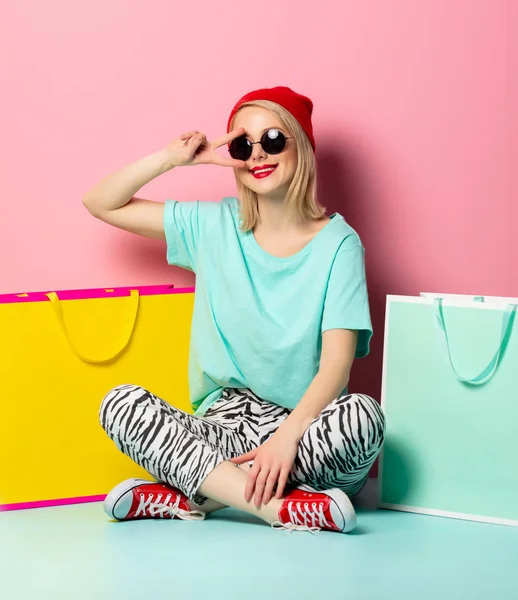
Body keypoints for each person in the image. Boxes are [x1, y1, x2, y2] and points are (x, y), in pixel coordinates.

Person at [83, 86, 385, 534]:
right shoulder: (212, 226)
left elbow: (336, 370)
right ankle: (279, 508)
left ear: (302, 145)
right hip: (225, 430)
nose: (259, 153)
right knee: (120, 404)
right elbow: (100, 202)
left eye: (274, 139)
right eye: (244, 144)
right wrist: (172, 159)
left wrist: (285, 440)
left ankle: (201, 495)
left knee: (364, 418)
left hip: (304, 434)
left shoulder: (340, 245)